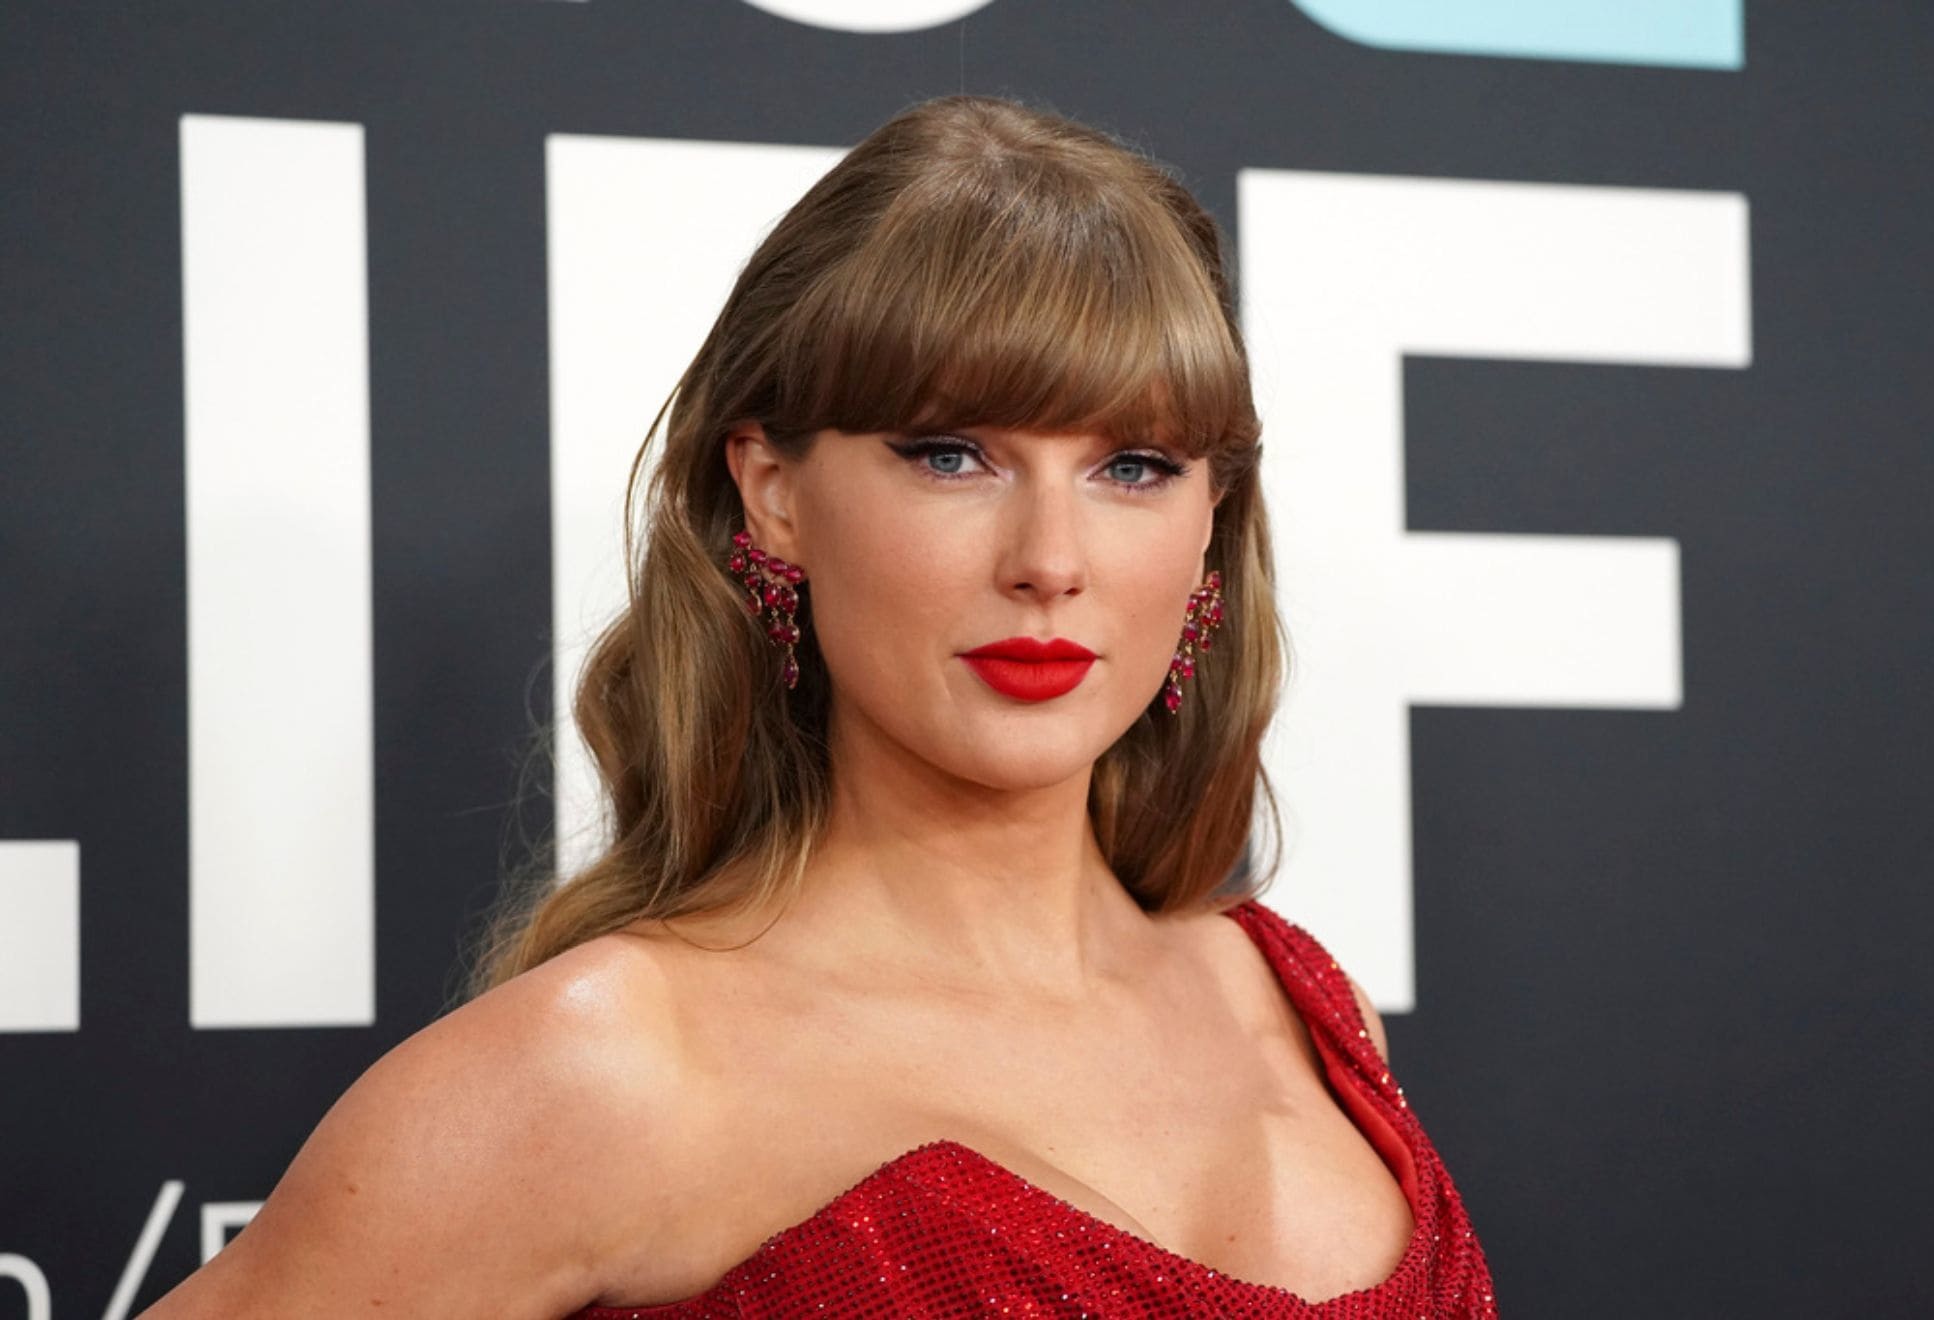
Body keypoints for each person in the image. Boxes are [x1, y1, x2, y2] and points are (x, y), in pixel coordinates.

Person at [143, 93, 1496, 1317]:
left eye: (1133, 467)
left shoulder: (1302, 1010)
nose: (1050, 560)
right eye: (952, 455)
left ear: (1210, 528)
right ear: (773, 493)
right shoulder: (609, 1070)